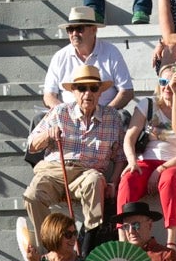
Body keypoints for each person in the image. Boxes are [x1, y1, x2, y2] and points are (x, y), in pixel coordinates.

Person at [24, 63, 125, 245]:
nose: (88, 93)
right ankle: (49, 248)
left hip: (86, 172)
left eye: (93, 88)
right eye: (81, 88)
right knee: (32, 196)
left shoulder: (113, 117)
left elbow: (120, 156)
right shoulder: (60, 111)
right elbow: (31, 145)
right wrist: (48, 134)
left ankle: (87, 245)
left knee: (95, 180)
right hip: (54, 170)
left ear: (100, 92)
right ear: (74, 91)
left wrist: (113, 181)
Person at [118, 68, 176, 249]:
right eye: (163, 82)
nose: (167, 87)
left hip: (175, 163)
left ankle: (171, 242)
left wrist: (161, 169)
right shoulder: (148, 104)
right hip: (145, 160)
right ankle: (123, 243)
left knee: (169, 178)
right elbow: (129, 138)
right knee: (128, 179)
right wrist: (131, 161)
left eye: (173, 83)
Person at [43, 5, 133, 108]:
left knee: (122, 116)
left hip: (105, 114)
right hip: (67, 119)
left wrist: (106, 114)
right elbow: (49, 96)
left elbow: (126, 91)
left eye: (79, 29)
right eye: (70, 29)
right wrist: (64, 116)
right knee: (39, 119)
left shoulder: (111, 52)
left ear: (94, 30)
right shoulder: (59, 57)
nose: (74, 33)